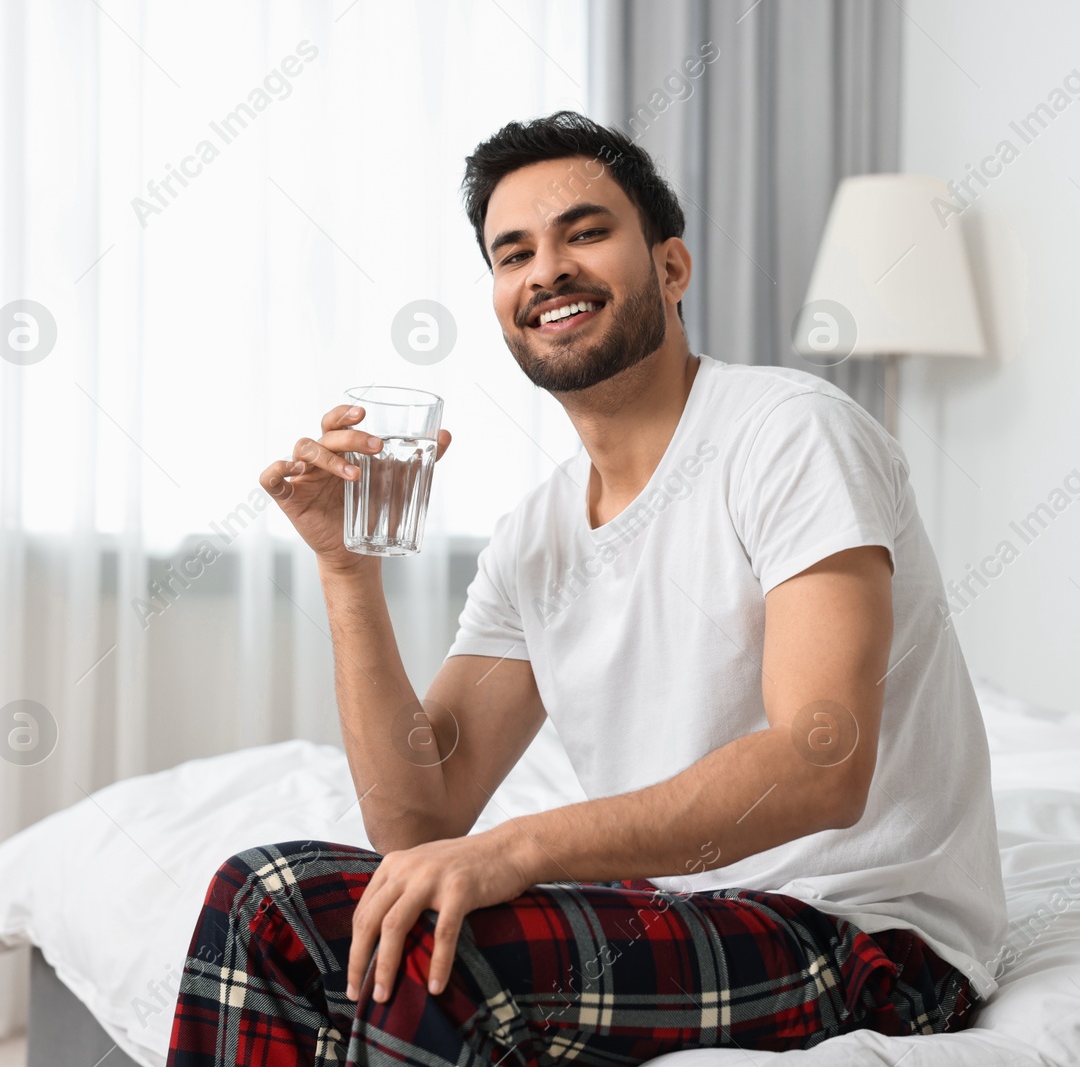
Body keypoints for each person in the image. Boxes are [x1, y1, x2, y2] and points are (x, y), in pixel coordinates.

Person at [167, 110, 1006, 1067]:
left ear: (673, 268)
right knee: (266, 899)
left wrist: (518, 850)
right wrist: (344, 570)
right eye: (512, 252)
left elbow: (823, 761)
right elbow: (420, 819)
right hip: (680, 914)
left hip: (864, 938)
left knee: (432, 961)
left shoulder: (791, 431)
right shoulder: (536, 535)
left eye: (587, 233)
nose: (547, 270)